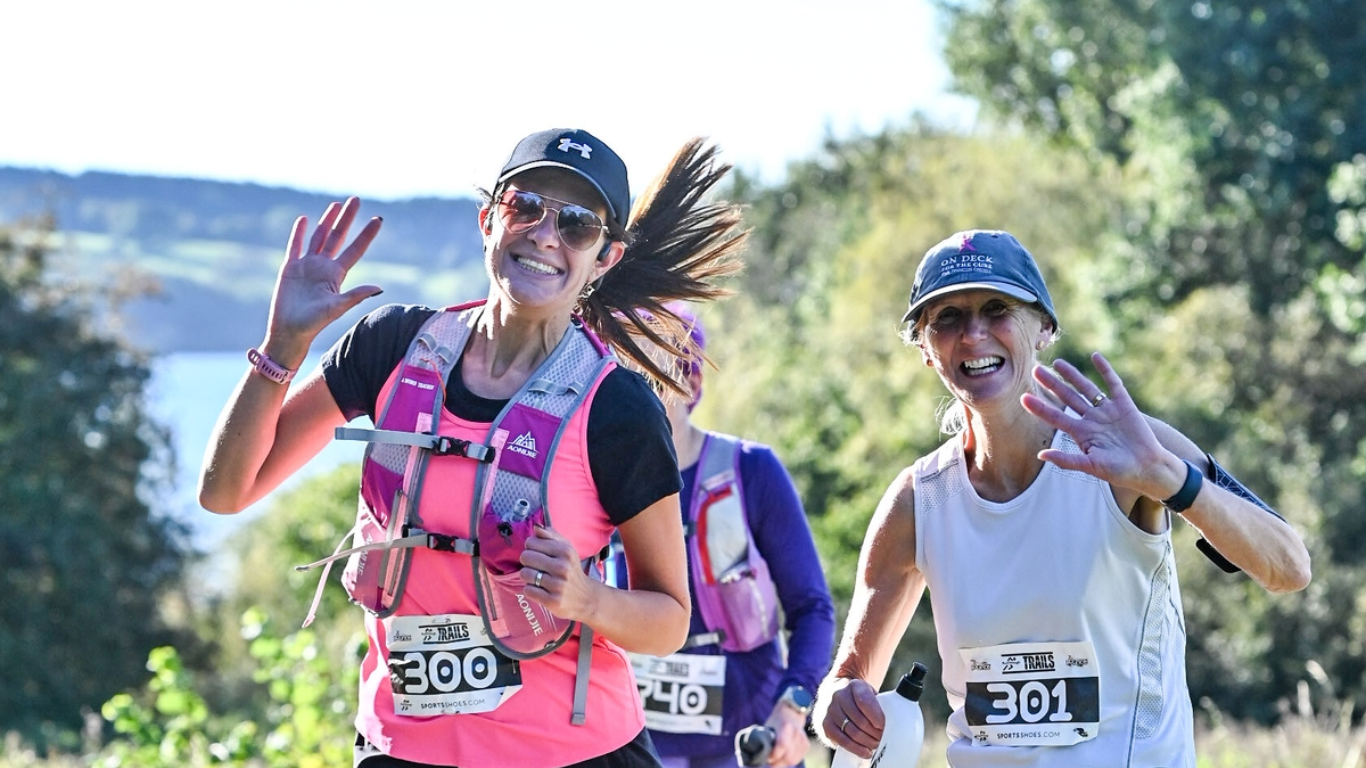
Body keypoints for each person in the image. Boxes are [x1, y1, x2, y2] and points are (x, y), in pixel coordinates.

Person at [198, 128, 746, 768]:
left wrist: (587, 600)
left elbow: (669, 620)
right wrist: (285, 343)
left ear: (605, 258)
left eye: (576, 224)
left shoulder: (617, 408)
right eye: (526, 206)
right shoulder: (392, 347)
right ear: (488, 220)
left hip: (572, 753)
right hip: (401, 749)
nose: (545, 234)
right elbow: (225, 491)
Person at [812, 230, 1311, 767]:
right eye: (947, 318)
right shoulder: (919, 501)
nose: (973, 334)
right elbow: (844, 686)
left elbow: (1289, 566)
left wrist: (1170, 479)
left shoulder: (1132, 448)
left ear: (1043, 327)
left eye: (996, 308)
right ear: (927, 351)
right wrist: (836, 704)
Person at [613, 305, 835, 768]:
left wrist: (792, 711)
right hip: (632, 745)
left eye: (652, 382)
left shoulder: (753, 471)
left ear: (691, 386)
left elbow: (812, 609)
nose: (633, 402)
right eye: (620, 382)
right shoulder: (589, 484)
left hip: (749, 743)